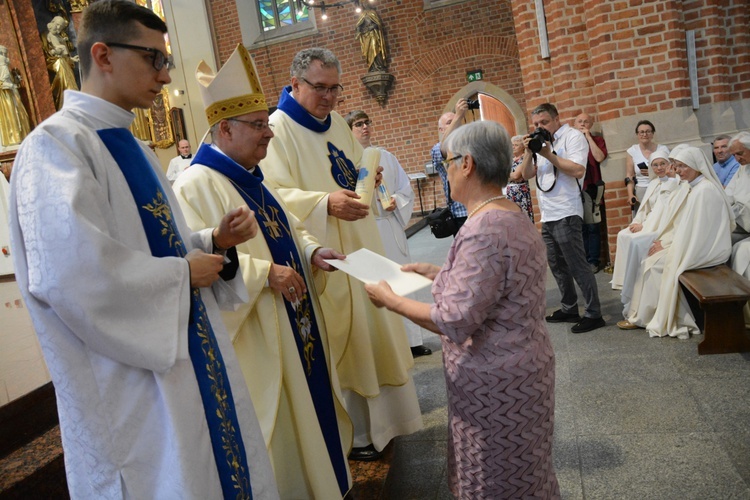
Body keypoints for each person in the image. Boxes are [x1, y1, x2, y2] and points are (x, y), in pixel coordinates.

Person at [7, 2, 278, 498]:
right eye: (153, 58)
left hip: (179, 357)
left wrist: (210, 243)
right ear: (103, 55)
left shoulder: (129, 143)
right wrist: (181, 275)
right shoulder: (56, 147)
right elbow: (71, 278)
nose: (165, 73)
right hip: (129, 387)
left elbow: (154, 247)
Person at [173, 43, 354, 500]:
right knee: (283, 432)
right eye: (258, 126)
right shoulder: (196, 183)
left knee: (311, 415)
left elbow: (289, 229)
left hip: (296, 322)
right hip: (260, 334)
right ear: (226, 127)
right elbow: (198, 255)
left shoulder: (252, 176)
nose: (269, 134)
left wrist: (312, 252)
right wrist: (260, 274)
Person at [365, 121, 559, 499]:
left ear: (467, 163)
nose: (446, 171)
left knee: (493, 478)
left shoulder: (482, 228)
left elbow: (455, 319)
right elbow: (497, 286)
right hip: (524, 367)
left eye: (447, 162)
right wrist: (440, 273)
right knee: (526, 471)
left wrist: (391, 300)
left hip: (495, 381)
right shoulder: (507, 214)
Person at [260, 48, 422, 462]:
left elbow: (350, 169)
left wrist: (366, 176)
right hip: (327, 254)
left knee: (378, 331)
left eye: (336, 89)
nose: (330, 98)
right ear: (294, 83)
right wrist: (323, 204)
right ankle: (359, 435)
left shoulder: (334, 123)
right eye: (320, 88)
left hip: (362, 243)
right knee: (349, 344)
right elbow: (272, 195)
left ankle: (387, 425)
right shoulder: (277, 129)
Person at [620, 146, 734, 338]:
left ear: (696, 166)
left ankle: (654, 317)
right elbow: (684, 225)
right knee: (650, 257)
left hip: (707, 249)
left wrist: (668, 246)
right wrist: (666, 242)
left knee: (656, 266)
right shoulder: (693, 187)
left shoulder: (704, 190)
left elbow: (698, 231)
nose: (678, 170)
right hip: (694, 243)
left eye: (682, 166)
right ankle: (644, 314)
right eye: (677, 166)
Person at [345, 109, 432, 358]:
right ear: (349, 130)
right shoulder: (348, 161)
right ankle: (389, 344)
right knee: (377, 283)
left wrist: (395, 200)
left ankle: (413, 341)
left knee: (402, 279)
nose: (364, 128)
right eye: (358, 124)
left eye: (366, 123)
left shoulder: (387, 157)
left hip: (389, 224)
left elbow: (406, 189)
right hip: (367, 226)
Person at [519, 103, 605, 333]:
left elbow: (578, 170)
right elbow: (526, 174)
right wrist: (530, 152)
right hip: (547, 214)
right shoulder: (540, 143)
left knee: (577, 264)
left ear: (557, 119)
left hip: (567, 211)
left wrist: (549, 154)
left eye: (544, 122)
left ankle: (594, 313)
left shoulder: (573, 137)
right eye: (536, 124)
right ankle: (569, 308)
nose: (540, 127)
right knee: (556, 265)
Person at [611, 150, 682, 291]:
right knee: (622, 235)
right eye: (655, 165)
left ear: (669, 165)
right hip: (648, 220)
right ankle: (623, 279)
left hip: (659, 225)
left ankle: (636, 280)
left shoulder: (675, 183)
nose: (659, 168)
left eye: (663, 164)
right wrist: (636, 222)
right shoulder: (654, 183)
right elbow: (644, 208)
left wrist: (644, 226)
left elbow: (665, 212)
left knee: (636, 240)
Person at [574, 112, 608, 273]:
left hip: (591, 188)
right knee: (578, 228)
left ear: (591, 125)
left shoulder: (597, 140)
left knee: (592, 226)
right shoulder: (570, 142)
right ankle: (582, 261)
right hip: (574, 189)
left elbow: (599, 157)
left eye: (586, 122)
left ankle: (593, 261)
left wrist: (588, 137)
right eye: (579, 121)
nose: (582, 124)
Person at [430, 99, 468, 234]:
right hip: (460, 213)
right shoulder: (437, 149)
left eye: (456, 121)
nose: (454, 123)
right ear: (441, 130)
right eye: (449, 122)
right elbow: (444, 146)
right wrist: (458, 115)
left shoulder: (470, 144)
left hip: (479, 208)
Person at [625, 119, 670, 215]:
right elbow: (629, 176)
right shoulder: (632, 151)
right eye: (641, 132)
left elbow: (670, 170)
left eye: (648, 131)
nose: (645, 134)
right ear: (637, 134)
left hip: (660, 187)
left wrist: (653, 173)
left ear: (653, 134)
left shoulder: (662, 149)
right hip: (642, 190)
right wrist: (630, 194)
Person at [44, 15, 80, 110]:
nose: (59, 27)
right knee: (65, 81)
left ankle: (73, 98)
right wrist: (57, 50)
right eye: (58, 24)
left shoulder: (58, 36)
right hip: (58, 63)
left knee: (70, 80)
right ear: (53, 23)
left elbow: (64, 54)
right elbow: (52, 52)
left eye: (61, 26)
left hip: (64, 62)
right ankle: (70, 100)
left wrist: (72, 59)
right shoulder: (49, 36)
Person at [0, 45, 31, 147]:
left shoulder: (5, 68)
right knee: (11, 116)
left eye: (6, 54)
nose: (6, 57)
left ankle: (22, 135)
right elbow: (3, 82)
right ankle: (13, 138)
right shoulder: (3, 67)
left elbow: (9, 80)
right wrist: (8, 84)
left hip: (12, 93)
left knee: (22, 114)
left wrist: (16, 80)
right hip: (5, 96)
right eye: (3, 54)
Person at [725, 132, 750, 244]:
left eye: (740, 153)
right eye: (734, 155)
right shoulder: (743, 167)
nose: (737, 159)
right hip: (738, 217)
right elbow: (729, 192)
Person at [506, 134, 534, 221]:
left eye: (516, 145)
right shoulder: (510, 160)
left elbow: (516, 175)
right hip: (510, 193)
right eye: (512, 145)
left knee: (522, 219)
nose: (513, 147)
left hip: (520, 193)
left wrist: (507, 175)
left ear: (522, 147)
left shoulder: (524, 159)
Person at [355, 8, 387, 72]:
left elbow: (378, 24)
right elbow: (358, 26)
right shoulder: (362, 14)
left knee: (375, 48)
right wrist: (359, 32)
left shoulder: (372, 12)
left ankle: (379, 66)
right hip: (366, 36)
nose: (365, 3)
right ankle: (372, 67)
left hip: (373, 35)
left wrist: (373, 26)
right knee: (369, 51)